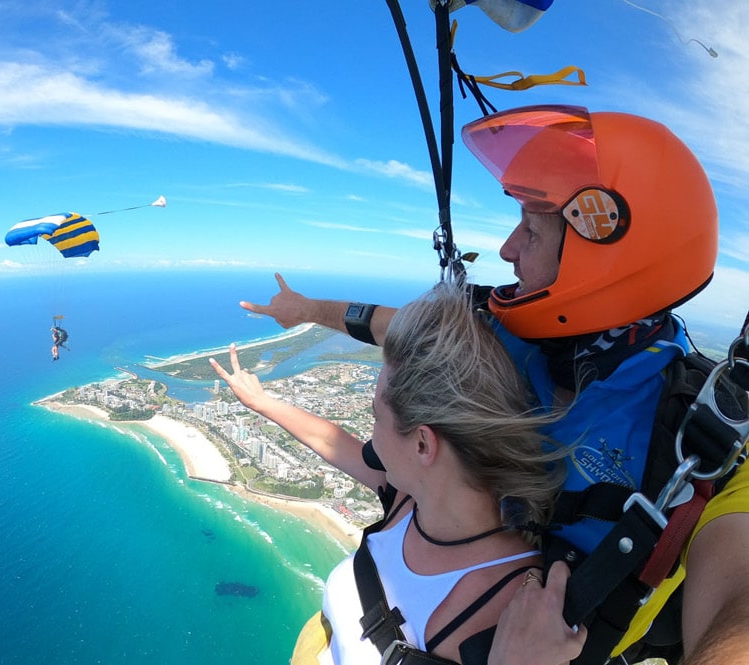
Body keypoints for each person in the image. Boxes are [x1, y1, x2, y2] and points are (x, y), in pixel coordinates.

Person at [239, 105, 747, 664]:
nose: (507, 248)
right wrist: (307, 309)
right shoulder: (507, 334)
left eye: (532, 228)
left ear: (606, 255)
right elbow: (395, 327)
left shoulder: (702, 441)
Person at [212, 283, 575, 664]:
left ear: (422, 445)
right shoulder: (411, 501)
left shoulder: (511, 603)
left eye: (376, 417)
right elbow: (331, 441)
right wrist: (260, 401)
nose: (370, 439)